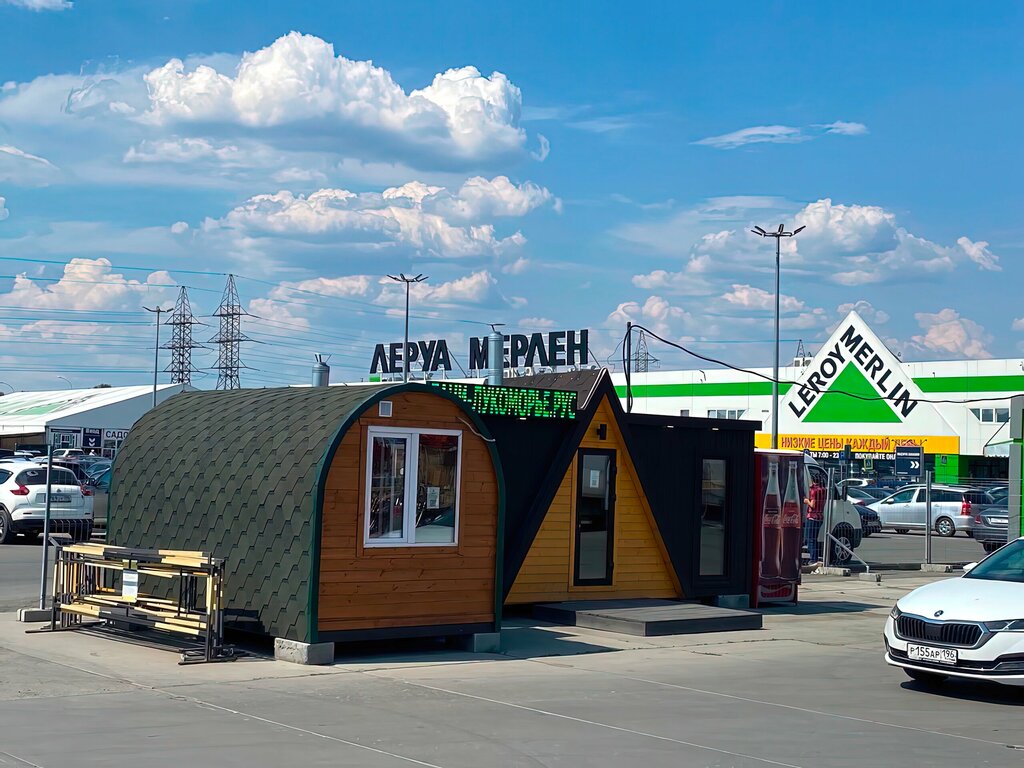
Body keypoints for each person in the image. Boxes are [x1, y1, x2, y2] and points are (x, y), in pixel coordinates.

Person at [804, 477, 827, 568]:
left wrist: (806, 501)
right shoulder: (823, 490)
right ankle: (815, 558)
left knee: (810, 539)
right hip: (820, 516)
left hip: (812, 516)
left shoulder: (814, 491)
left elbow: (812, 505)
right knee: (814, 539)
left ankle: (813, 559)